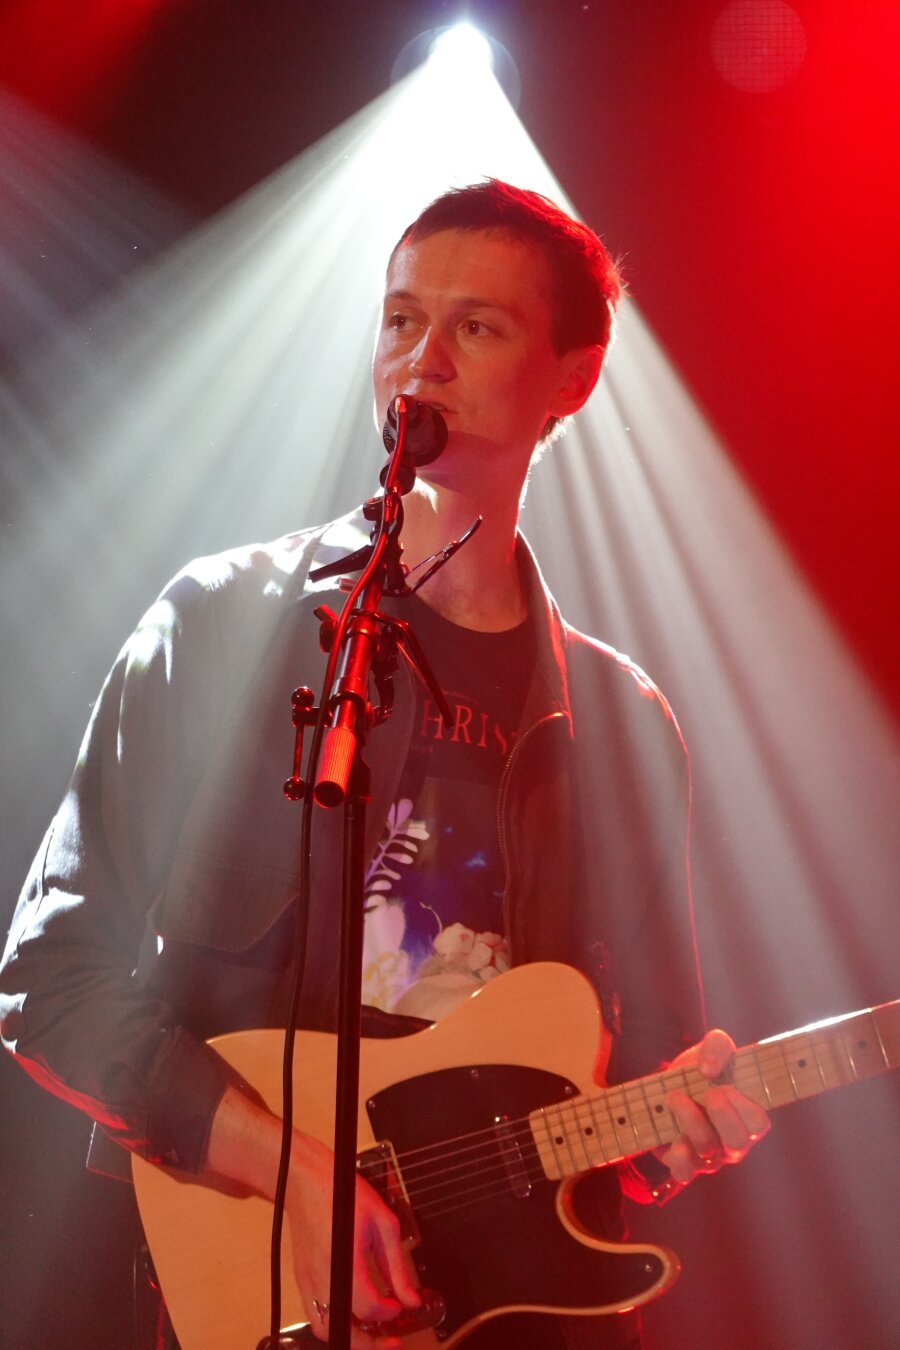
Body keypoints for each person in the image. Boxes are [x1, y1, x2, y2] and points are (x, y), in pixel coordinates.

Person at [0, 180, 769, 1350]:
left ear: (572, 380)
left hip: (515, 1311)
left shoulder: (624, 725)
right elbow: (48, 979)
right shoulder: (220, 623)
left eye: (477, 326)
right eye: (402, 318)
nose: (422, 361)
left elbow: (645, 1078)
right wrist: (295, 1171)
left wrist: (680, 1133)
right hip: (260, 1291)